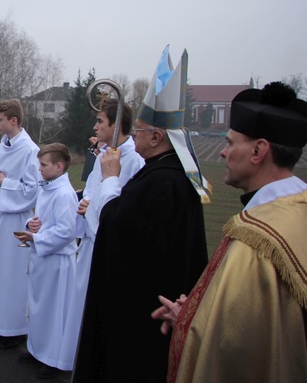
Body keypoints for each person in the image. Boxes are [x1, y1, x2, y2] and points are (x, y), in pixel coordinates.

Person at [152, 81, 307, 382]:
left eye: (231, 142)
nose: (223, 153)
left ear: (258, 151)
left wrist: (186, 320)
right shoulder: (298, 209)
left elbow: (233, 345)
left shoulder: (257, 238)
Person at [73, 47, 209, 381]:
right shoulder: (165, 173)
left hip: (139, 309)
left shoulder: (162, 182)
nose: (134, 137)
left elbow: (115, 226)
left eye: (139, 132)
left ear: (157, 136)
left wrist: (110, 179)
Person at [61, 100, 144, 369]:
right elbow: (91, 191)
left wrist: (92, 207)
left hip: (105, 243)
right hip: (89, 240)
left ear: (117, 125)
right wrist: (86, 203)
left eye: (100, 122)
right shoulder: (105, 155)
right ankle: (71, 358)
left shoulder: (133, 161)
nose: (95, 126)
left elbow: (124, 205)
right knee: (79, 302)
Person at [0, 98, 40, 348]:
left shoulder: (29, 150)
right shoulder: (1, 147)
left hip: (17, 221)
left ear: (14, 120)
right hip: (0, 218)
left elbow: (33, 190)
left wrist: (6, 184)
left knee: (12, 276)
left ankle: (14, 329)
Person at [14, 143, 79, 379]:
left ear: (59, 166)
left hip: (57, 262)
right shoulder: (47, 188)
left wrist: (37, 237)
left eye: (43, 165)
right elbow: (40, 219)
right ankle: (37, 349)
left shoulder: (64, 194)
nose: (39, 169)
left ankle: (53, 358)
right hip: (42, 258)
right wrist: (31, 225)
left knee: (53, 311)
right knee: (39, 308)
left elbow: (66, 231)